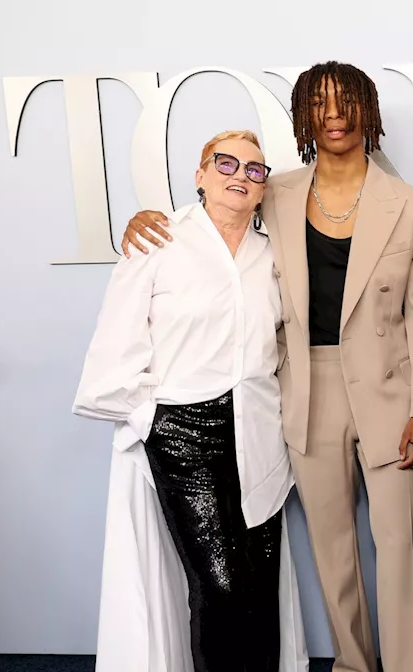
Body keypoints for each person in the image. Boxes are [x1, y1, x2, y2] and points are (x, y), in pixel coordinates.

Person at [119, 62, 413, 672]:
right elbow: (217, 218)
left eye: (347, 101)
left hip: (390, 392)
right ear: (304, 117)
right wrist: (146, 218)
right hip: (303, 388)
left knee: (398, 546)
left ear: (368, 111)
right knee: (331, 546)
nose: (335, 113)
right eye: (320, 103)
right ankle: (352, 664)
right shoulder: (277, 190)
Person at [72, 130, 308, 672]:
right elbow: (114, 350)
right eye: (225, 163)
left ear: (263, 188)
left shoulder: (272, 253)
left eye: (254, 170)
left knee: (257, 582)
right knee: (218, 586)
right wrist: (153, 418)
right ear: (200, 175)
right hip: (183, 432)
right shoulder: (158, 241)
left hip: (259, 430)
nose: (239, 176)